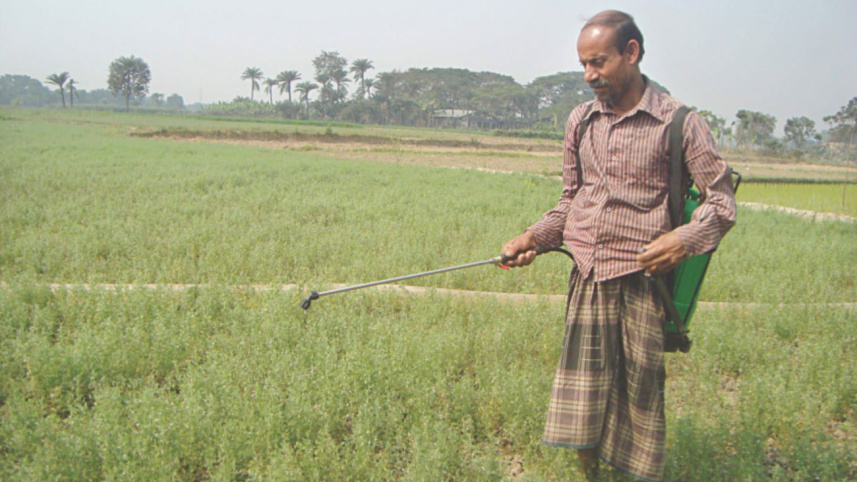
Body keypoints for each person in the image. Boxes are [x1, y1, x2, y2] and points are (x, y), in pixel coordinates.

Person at [501, 10, 737, 482]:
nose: (590, 75)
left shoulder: (680, 123)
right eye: (583, 65)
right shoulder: (581, 121)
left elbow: (722, 203)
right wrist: (534, 237)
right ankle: (589, 474)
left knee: (638, 398)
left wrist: (684, 238)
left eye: (599, 62)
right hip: (588, 276)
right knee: (582, 397)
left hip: (642, 281)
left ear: (631, 53)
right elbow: (570, 200)